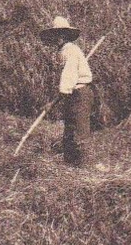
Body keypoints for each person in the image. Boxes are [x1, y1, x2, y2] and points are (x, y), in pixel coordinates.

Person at [40, 16, 94, 166]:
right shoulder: (64, 51)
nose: (57, 38)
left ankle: (85, 167)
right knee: (70, 130)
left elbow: (68, 78)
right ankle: (71, 165)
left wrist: (52, 103)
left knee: (79, 131)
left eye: (60, 34)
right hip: (73, 94)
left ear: (65, 36)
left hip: (80, 94)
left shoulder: (69, 51)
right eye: (55, 35)